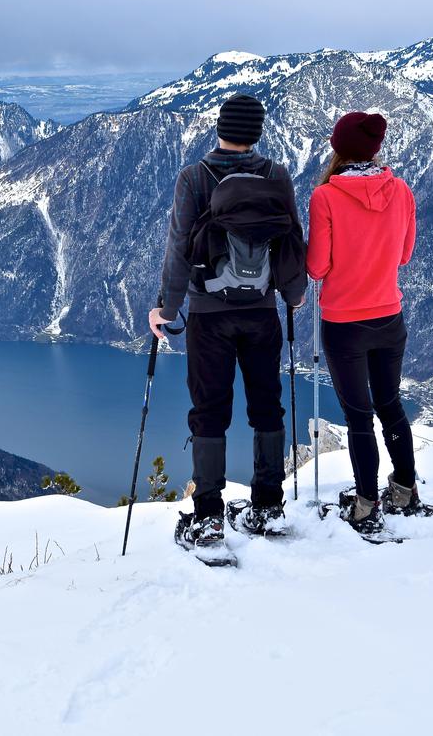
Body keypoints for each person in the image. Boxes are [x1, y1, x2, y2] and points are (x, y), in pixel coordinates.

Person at [149, 94, 307, 556]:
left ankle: (208, 521)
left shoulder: (194, 177)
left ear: (219, 128)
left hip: (208, 316)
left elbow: (179, 248)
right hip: (261, 312)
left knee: (210, 411)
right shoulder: (275, 174)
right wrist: (292, 296)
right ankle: (268, 507)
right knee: (266, 405)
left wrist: (166, 307)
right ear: (257, 132)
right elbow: (291, 241)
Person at [306, 111, 419, 534]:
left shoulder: (326, 197)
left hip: (344, 324)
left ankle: (366, 503)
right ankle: (405, 489)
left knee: (359, 416)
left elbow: (317, 267)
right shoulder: (402, 190)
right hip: (390, 316)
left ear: (337, 148)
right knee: (390, 405)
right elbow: (404, 256)